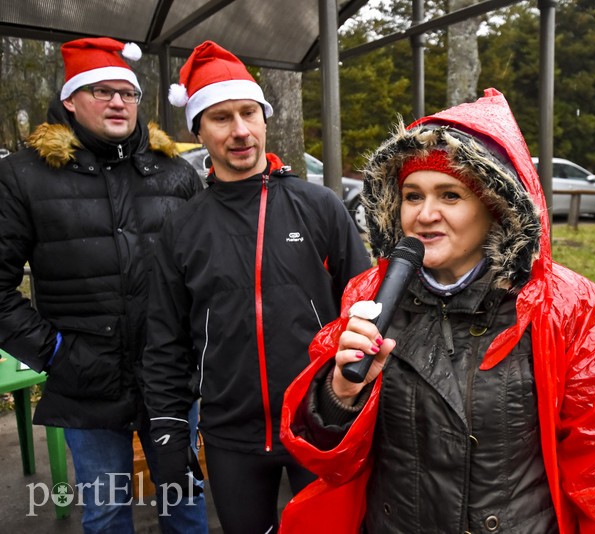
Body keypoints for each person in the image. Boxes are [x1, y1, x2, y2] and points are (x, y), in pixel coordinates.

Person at [278, 88, 595, 533]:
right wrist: (340, 396)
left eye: (449, 195)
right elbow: (325, 455)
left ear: (494, 205)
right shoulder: (369, 296)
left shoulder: (567, 307)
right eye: (412, 195)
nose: (424, 215)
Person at [141, 40, 371, 534]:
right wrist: (167, 425)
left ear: (265, 118)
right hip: (231, 434)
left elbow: (365, 309)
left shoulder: (319, 206)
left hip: (319, 419)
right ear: (198, 129)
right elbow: (165, 339)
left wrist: (359, 398)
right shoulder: (182, 227)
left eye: (249, 113)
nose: (240, 130)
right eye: (221, 118)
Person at [0, 37, 207, 533]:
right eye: (101, 91)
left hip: (171, 376)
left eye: (127, 93)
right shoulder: (24, 176)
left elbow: (205, 272)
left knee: (183, 500)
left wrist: (199, 348)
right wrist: (54, 353)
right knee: (108, 507)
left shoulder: (176, 173)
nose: (118, 102)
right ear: (70, 100)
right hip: (85, 378)